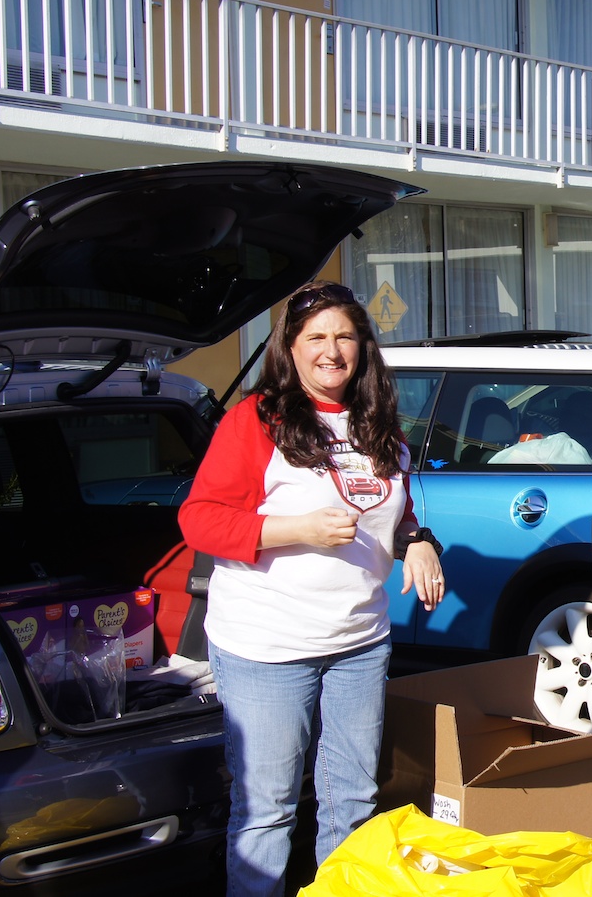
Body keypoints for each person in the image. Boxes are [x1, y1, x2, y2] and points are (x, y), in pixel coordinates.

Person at [178, 281, 446, 897]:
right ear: (290, 348)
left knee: (353, 802)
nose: (331, 351)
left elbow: (392, 512)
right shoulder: (256, 421)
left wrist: (417, 540)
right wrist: (295, 529)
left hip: (360, 642)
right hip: (268, 647)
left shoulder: (380, 425)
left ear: (363, 346)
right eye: (316, 337)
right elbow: (200, 520)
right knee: (267, 812)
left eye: (344, 336)